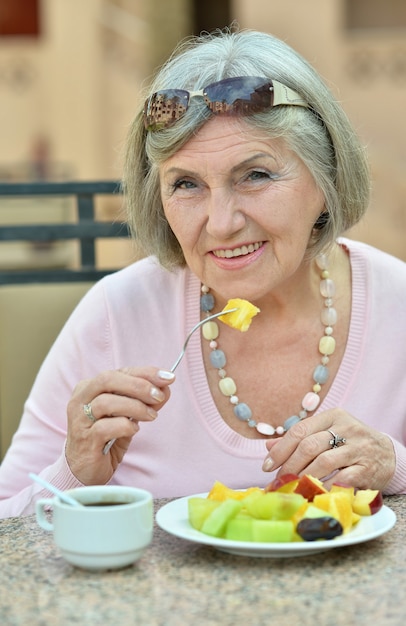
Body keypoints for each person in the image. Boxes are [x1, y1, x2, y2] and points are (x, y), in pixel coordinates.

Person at [1, 28, 405, 519]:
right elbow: (7, 526)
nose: (220, 223)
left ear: (326, 179)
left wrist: (395, 465)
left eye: (255, 175)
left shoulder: (397, 305)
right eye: (187, 184)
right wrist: (74, 474)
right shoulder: (115, 315)